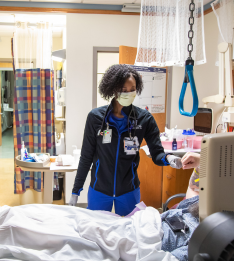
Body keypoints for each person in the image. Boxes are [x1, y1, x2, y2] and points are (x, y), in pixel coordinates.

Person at [69, 64, 182, 216]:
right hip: (99, 190)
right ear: (113, 89)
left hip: (129, 191)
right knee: (97, 232)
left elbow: (157, 154)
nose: (128, 93)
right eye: (123, 90)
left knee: (132, 232)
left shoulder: (144, 119)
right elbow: (86, 156)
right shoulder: (95, 118)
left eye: (132, 89)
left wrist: (169, 158)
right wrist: (76, 191)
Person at [161, 152, 201, 261]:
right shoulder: (197, 203)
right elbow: (194, 188)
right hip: (149, 223)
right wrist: (201, 163)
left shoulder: (203, 240)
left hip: (147, 240)